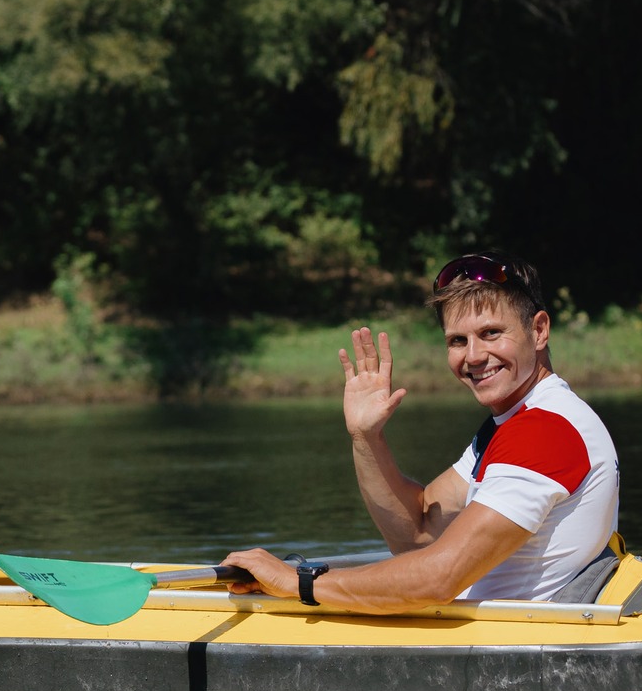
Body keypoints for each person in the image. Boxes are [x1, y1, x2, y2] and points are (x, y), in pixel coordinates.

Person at [222, 252, 618, 613]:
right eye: (457, 341)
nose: (474, 356)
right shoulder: (511, 426)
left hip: (515, 657)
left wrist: (298, 583)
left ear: (540, 330)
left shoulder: (545, 430)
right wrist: (366, 438)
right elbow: (419, 533)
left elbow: (438, 577)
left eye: (492, 333)